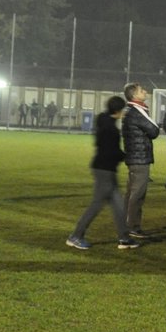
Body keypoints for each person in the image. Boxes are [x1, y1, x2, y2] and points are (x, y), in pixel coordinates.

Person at [67, 96, 139, 250]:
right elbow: (111, 152)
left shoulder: (104, 120)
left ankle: (124, 238)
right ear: (118, 110)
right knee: (96, 205)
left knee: (119, 205)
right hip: (105, 170)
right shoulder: (111, 130)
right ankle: (76, 236)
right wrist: (125, 156)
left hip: (104, 169)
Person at [121, 82, 161, 239]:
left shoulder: (130, 111)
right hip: (140, 157)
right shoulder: (137, 111)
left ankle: (125, 223)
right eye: (141, 90)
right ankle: (133, 227)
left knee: (131, 192)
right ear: (134, 95)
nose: (145, 92)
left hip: (134, 156)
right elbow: (154, 130)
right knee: (137, 193)